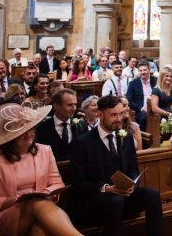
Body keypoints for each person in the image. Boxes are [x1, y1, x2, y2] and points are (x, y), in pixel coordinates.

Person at [0, 103, 81, 236]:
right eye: (22, 132)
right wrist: (16, 199)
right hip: (6, 215)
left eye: (31, 128)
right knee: (36, 204)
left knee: (39, 231)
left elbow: (57, 183)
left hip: (43, 212)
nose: (29, 134)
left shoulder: (45, 150)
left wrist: (44, 192)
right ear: (10, 137)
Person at [68, 95, 163, 236]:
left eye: (121, 114)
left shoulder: (126, 137)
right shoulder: (82, 143)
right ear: (100, 114)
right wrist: (106, 189)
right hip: (94, 203)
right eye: (113, 115)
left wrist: (132, 184)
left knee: (152, 194)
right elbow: (78, 183)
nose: (119, 119)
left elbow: (133, 170)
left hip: (123, 198)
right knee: (115, 201)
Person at [35, 88, 79, 161]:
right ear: (56, 106)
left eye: (75, 104)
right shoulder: (41, 129)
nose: (74, 108)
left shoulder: (80, 125)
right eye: (69, 105)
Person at [126, 61, 156, 127]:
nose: (143, 72)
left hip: (156, 107)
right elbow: (129, 100)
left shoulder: (156, 81)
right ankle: (143, 136)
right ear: (138, 72)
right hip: (141, 110)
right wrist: (141, 108)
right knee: (144, 117)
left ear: (149, 70)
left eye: (145, 70)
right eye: (141, 70)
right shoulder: (133, 84)